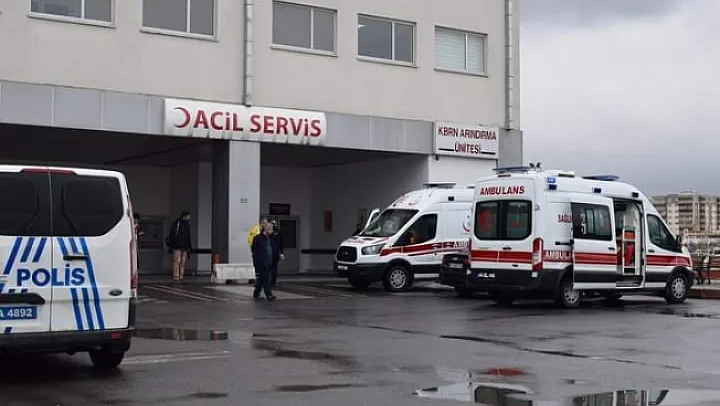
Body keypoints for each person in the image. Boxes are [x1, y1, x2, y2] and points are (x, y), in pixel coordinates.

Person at [251, 222, 278, 301]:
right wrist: (257, 262)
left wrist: (279, 255)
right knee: (266, 279)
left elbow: (275, 248)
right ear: (266, 229)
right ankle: (269, 294)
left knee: (261, 279)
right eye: (271, 229)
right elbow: (255, 251)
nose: (272, 231)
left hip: (270, 261)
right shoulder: (258, 238)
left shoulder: (271, 238)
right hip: (262, 262)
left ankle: (256, 294)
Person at [166, 211, 192, 283]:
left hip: (184, 246)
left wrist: (189, 246)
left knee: (182, 261)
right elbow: (173, 234)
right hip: (177, 246)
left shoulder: (187, 224)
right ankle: (176, 276)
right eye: (188, 216)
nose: (189, 217)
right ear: (184, 216)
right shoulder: (177, 223)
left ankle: (181, 276)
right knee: (177, 261)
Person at [269, 220, 285, 286]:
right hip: (270, 252)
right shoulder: (269, 232)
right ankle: (269, 281)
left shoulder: (278, 232)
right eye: (272, 224)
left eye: (274, 224)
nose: (273, 225)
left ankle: (273, 281)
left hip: (275, 252)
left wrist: (281, 252)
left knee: (274, 267)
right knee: (270, 267)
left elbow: (281, 243)